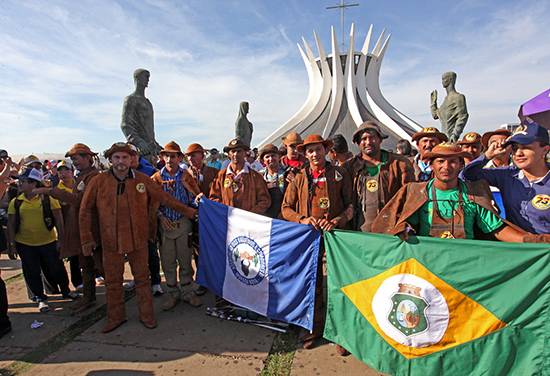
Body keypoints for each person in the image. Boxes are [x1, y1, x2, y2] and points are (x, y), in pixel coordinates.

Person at [79, 142, 198, 333]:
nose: (121, 161)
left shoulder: (142, 180)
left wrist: (189, 212)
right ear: (110, 160)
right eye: (117, 157)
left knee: (143, 279)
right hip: (110, 241)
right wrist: (86, 239)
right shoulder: (99, 182)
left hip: (138, 238)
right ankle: (115, 317)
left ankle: (147, 315)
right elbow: (85, 211)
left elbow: (164, 198)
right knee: (113, 281)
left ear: (131, 159)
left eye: (125, 157)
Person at [371, 143, 534, 243]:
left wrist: (533, 241)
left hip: (465, 265)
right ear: (432, 166)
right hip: (428, 265)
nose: (446, 167)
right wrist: (403, 231)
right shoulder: (416, 192)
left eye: (452, 161)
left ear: (461, 165)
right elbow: (402, 225)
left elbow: (497, 230)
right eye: (440, 161)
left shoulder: (474, 193)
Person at [281, 134, 352, 352]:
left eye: (318, 149)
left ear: (325, 150)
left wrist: (338, 220)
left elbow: (351, 206)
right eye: (310, 150)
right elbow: (286, 208)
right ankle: (313, 326)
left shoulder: (339, 174)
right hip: (309, 238)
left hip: (335, 236)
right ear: (306, 153)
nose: (314, 154)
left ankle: (340, 332)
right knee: (312, 283)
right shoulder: (299, 178)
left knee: (338, 283)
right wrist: (303, 219)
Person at [33, 143, 102, 314]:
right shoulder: (83, 176)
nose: (74, 162)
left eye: (76, 158)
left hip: (93, 229)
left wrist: (51, 191)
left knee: (100, 265)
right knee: (86, 265)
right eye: (72, 159)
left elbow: (80, 201)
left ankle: (114, 299)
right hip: (83, 228)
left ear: (88, 157)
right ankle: (89, 298)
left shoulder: (93, 177)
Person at [463, 121, 549, 236]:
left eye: (526, 147)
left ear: (545, 150)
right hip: (517, 247)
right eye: (514, 148)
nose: (518, 153)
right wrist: (488, 155)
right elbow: (468, 175)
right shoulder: (507, 175)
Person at [7, 168, 75, 312]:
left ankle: (66, 290)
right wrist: (12, 245)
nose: (19, 183)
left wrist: (61, 240)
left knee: (57, 268)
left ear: (34, 183)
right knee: (31, 271)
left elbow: (59, 220)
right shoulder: (16, 201)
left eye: (23, 181)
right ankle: (39, 298)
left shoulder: (48, 198)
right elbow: (11, 224)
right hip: (25, 244)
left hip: (48, 242)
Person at [151, 141, 202, 310]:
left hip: (183, 223)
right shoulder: (156, 178)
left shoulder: (186, 176)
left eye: (173, 156)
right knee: (167, 261)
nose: (169, 159)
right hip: (165, 225)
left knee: (185, 259)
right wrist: (159, 217)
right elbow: (151, 204)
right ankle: (172, 293)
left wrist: (195, 206)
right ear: (162, 157)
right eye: (166, 155)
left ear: (179, 158)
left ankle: (187, 291)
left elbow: (195, 198)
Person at [343, 121, 415, 232]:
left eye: (372, 137)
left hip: (391, 230)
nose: (368, 142)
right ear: (358, 143)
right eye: (363, 139)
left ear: (380, 139)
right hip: (360, 232)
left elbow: (410, 198)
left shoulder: (399, 164)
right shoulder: (349, 167)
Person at [209, 138, 271, 215]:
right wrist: (226, 212)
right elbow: (213, 198)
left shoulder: (256, 177)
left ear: (245, 153)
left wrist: (250, 215)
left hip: (249, 223)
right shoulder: (221, 176)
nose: (235, 154)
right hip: (227, 221)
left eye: (239, 151)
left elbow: (264, 200)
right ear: (229, 154)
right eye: (233, 151)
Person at [120, 69, 162, 162]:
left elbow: (149, 129)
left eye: (149, 77)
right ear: (137, 78)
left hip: (151, 149)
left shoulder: (148, 103)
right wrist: (139, 142)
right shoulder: (130, 99)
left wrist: (155, 145)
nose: (148, 79)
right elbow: (125, 125)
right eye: (146, 76)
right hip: (140, 151)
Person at [258, 144, 287, 219]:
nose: (271, 159)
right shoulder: (259, 176)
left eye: (273, 155)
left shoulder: (287, 173)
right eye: (267, 157)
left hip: (284, 216)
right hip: (266, 217)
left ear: (279, 157)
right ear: (263, 160)